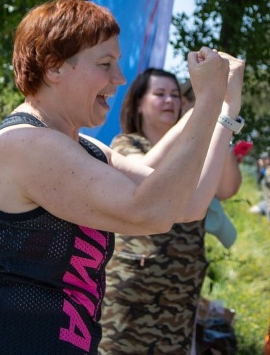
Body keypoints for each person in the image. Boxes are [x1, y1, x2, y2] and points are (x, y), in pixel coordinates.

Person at [0, 0, 246, 354]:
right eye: (105, 64)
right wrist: (206, 101)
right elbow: (153, 211)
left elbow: (189, 204)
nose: (119, 78)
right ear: (54, 67)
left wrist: (225, 109)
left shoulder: (83, 148)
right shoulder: (25, 144)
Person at [98, 68, 243, 354]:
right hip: (131, 291)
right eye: (160, 94)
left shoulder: (194, 150)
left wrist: (219, 121)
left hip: (180, 295)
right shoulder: (126, 144)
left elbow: (227, 188)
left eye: (175, 95)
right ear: (139, 104)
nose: (170, 101)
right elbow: (146, 175)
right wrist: (199, 113)